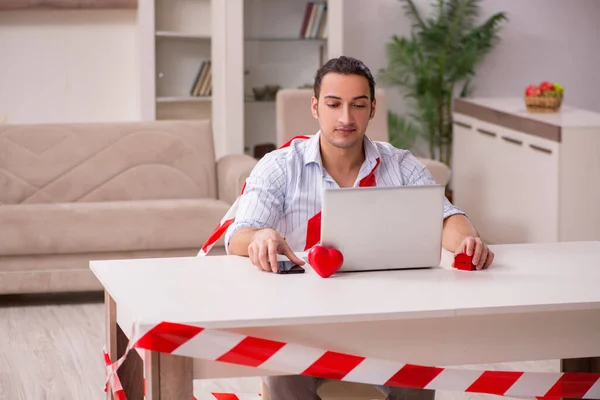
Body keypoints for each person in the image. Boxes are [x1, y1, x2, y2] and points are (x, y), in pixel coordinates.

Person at [224, 56, 494, 400]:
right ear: (315, 107)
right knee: (283, 382)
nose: (346, 118)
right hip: (299, 326)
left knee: (420, 377)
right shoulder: (280, 166)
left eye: (358, 105)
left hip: (386, 322)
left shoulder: (401, 165)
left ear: (372, 109)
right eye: (334, 104)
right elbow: (239, 233)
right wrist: (260, 236)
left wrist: (468, 240)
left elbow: (446, 217)